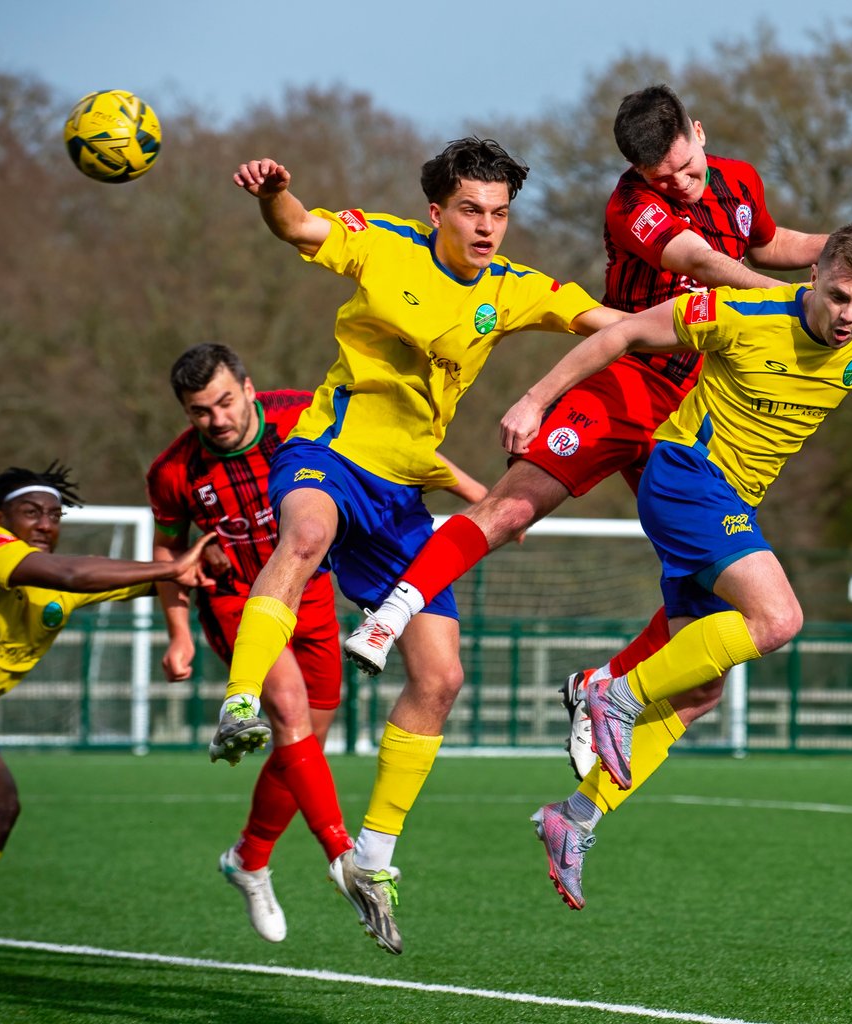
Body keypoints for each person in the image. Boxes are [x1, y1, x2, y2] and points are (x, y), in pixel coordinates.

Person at [344, 83, 852, 785]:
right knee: (514, 506)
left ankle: (598, 691)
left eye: (690, 169)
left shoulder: (740, 180)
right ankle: (393, 613)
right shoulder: (630, 206)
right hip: (632, 381)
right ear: (640, 175)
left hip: (701, 419)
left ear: (699, 131)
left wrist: (850, 249)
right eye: (667, 180)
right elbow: (700, 263)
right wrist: (791, 299)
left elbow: (776, 243)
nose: (686, 186)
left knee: (709, 624)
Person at [497, 222, 852, 909]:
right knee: (778, 617)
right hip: (683, 475)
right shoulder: (742, 313)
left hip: (730, 501)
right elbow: (623, 334)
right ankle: (612, 691)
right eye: (840, 297)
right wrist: (535, 399)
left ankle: (573, 819)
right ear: (814, 274)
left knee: (701, 693)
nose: (850, 317)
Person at [224, 138, 625, 954]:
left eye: (501, 213)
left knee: (441, 678)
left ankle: (373, 855)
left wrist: (714, 330)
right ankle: (239, 704)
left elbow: (609, 324)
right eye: (472, 210)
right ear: (437, 210)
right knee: (302, 534)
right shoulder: (385, 242)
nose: (488, 228)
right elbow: (299, 228)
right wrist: (272, 193)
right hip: (331, 457)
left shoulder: (514, 289)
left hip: (405, 497)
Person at [146, 342, 487, 944]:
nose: (217, 419)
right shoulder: (173, 472)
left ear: (249, 389)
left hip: (314, 594)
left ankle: (249, 859)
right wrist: (178, 633)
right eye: (200, 411)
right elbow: (169, 552)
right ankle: (344, 860)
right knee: (288, 713)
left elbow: (392, 450)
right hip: (239, 600)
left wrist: (474, 492)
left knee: (304, 742)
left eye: (225, 402)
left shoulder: (304, 417)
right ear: (185, 412)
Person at [0, 462, 214, 881]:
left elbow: (149, 580)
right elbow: (71, 572)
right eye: (31, 512)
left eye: (54, 516)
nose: (45, 524)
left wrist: (212, 557)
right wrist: (170, 569)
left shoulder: (58, 585)